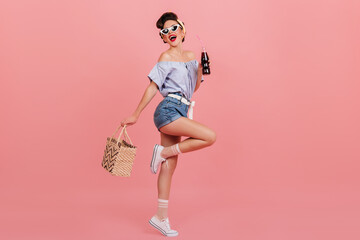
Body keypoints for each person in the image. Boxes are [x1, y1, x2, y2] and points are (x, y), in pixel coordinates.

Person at [120, 12, 216, 237]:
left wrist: (201, 71)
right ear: (163, 38)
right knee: (209, 136)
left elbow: (192, 90)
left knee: (170, 166)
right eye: (164, 31)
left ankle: (160, 217)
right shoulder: (165, 57)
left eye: (173, 28)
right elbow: (153, 87)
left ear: (182, 30)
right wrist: (135, 114)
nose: (169, 33)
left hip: (182, 107)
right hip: (168, 110)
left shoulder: (192, 56)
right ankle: (163, 151)